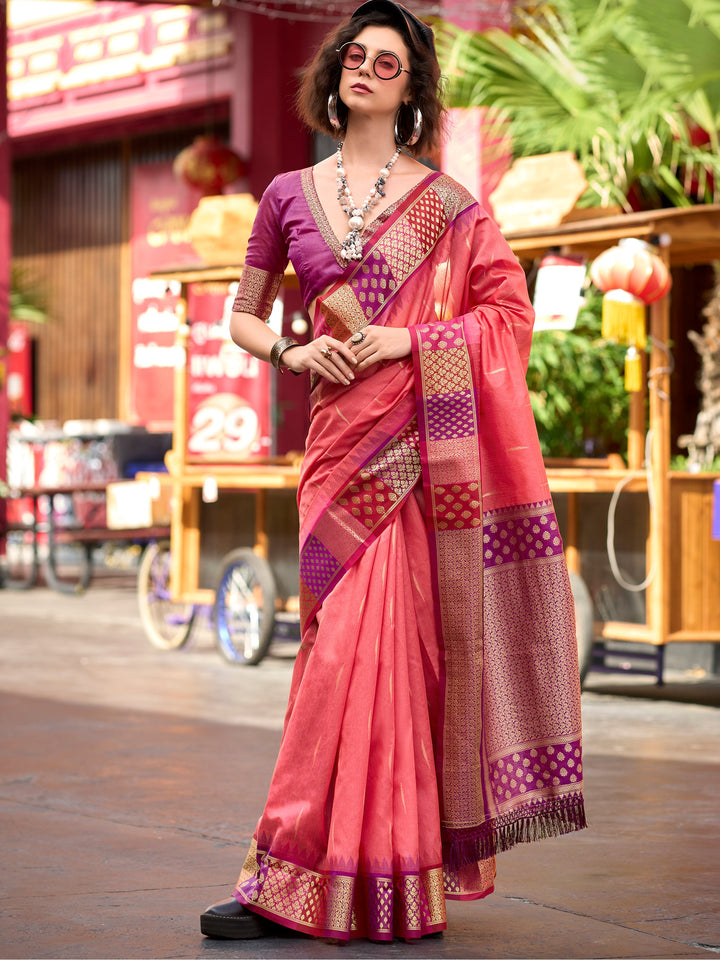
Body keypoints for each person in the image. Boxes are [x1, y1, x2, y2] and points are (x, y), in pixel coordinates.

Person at [200, 0, 586, 943]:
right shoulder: (288, 194)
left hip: (418, 460)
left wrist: (406, 343)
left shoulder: (454, 209)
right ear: (333, 74)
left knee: (390, 660)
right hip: (338, 450)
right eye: (354, 56)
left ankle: (383, 876)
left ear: (412, 88)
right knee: (336, 653)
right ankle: (302, 871)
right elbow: (244, 316)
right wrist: (294, 355)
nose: (366, 69)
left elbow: (506, 317)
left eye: (388, 60)